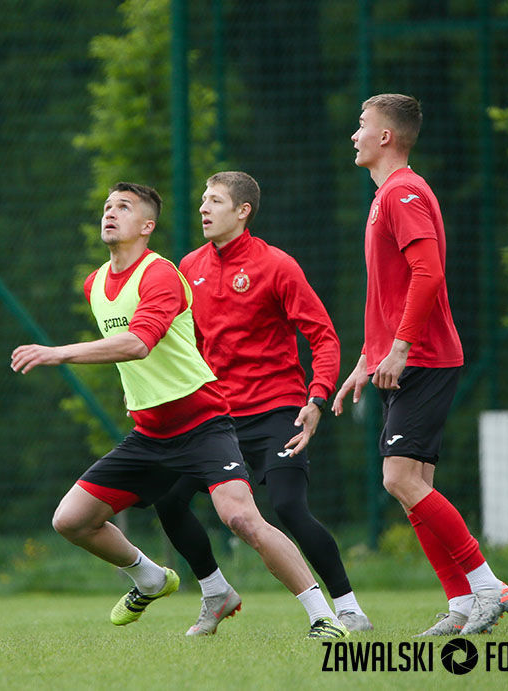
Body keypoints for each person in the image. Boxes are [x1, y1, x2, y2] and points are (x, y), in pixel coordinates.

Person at [12, 182, 347, 639]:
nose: (110, 213)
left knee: (243, 518)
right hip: (150, 434)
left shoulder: (162, 274)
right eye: (107, 206)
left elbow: (138, 343)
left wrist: (57, 353)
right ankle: (151, 578)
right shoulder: (96, 284)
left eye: (124, 207)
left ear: (147, 226)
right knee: (70, 520)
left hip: (203, 425)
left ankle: (324, 616)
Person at [152, 170, 372, 636]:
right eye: (202, 200)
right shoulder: (188, 267)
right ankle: (215, 592)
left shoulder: (277, 265)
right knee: (167, 498)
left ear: (243, 211)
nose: (203, 209)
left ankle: (349, 608)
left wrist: (317, 398)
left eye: (215, 201)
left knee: (289, 507)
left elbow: (323, 337)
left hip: (276, 410)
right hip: (214, 419)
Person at [334, 93, 508, 636]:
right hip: (407, 357)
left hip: (424, 358)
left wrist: (400, 348)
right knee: (416, 485)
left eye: (362, 124)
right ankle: (461, 601)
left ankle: (488, 586)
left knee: (398, 478)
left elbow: (428, 272)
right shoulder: (386, 195)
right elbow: (389, 294)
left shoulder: (403, 192)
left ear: (386, 136)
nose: (354, 134)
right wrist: (367, 359)